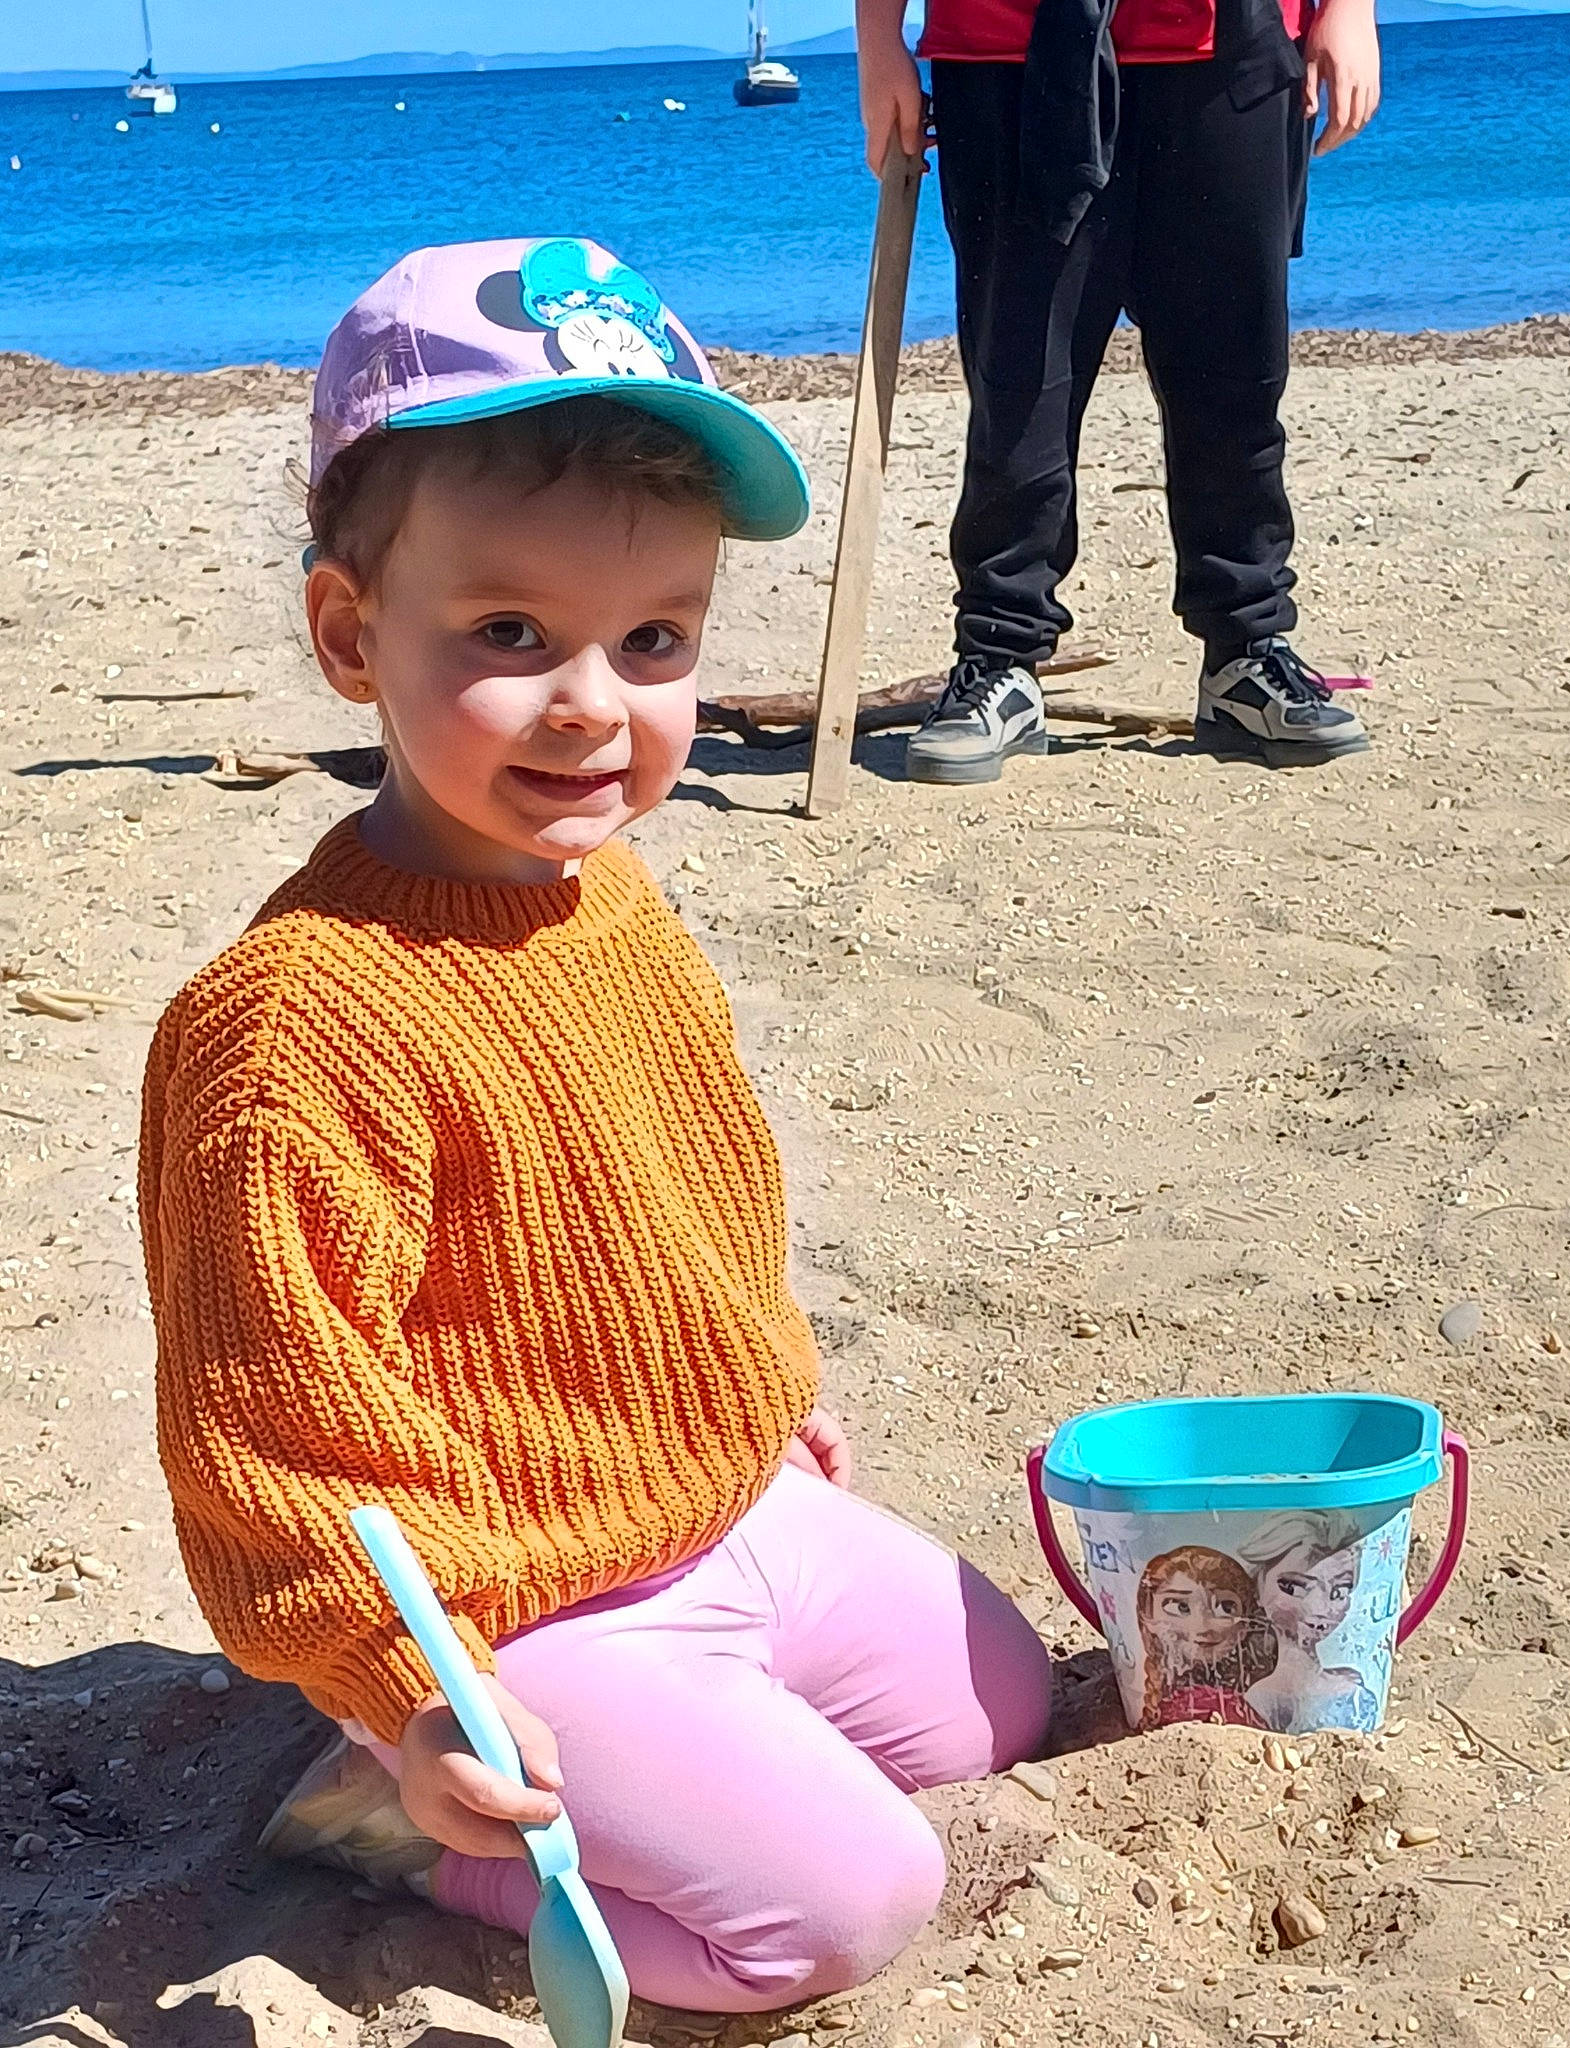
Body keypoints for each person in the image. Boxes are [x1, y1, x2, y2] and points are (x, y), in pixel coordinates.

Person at [137, 237, 1053, 2016]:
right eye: (508, 634)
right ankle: (418, 1834)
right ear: (351, 634)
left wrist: (764, 1381)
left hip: (707, 1506)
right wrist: (409, 1692)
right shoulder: (294, 1025)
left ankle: (683, 1736)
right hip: (500, 1609)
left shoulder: (609, 903)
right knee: (845, 1905)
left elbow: (689, 1190)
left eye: (654, 639)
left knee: (991, 1703)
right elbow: (275, 1440)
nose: (592, 703)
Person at [855, 0, 1382, 783]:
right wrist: (877, 43)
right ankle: (999, 662)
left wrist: (1351, 10)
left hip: (1230, 48)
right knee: (1020, 384)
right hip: (1008, 46)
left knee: (1235, 379)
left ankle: (1244, 653)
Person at [1238, 1511, 1379, 1731]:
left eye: (1339, 1592)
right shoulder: (1262, 1698)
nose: (1319, 1609)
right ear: (1258, 1586)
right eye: (1293, 1587)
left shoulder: (1352, 1683)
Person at [1135, 1546, 1274, 1729]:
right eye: (1180, 1607)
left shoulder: (1249, 1698)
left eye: (1225, 1608)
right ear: (1148, 1615)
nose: (1202, 1625)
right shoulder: (1170, 1698)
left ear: (1245, 1621)